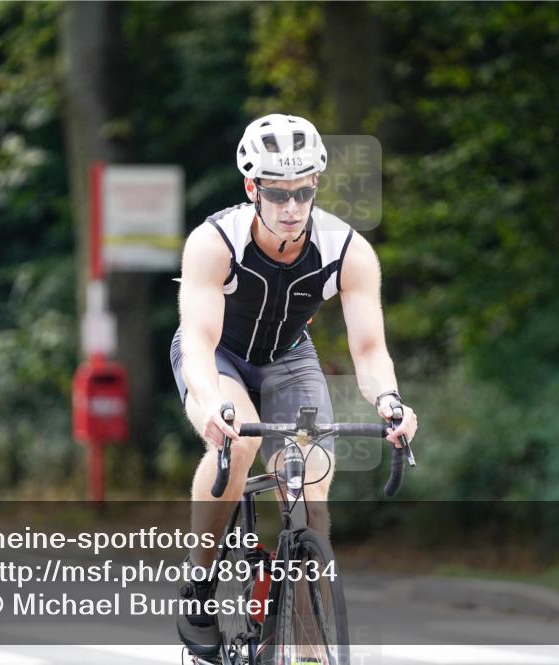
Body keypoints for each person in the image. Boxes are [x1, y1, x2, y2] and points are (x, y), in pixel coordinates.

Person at [169, 113, 419, 657]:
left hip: (289, 357)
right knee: (239, 444)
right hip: (218, 356)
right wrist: (213, 406)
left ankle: (304, 640)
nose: (291, 208)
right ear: (251, 188)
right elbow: (199, 341)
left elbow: (370, 349)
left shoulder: (346, 249)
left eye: (303, 193)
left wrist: (389, 401)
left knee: (310, 484)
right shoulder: (214, 242)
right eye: (278, 194)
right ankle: (200, 583)